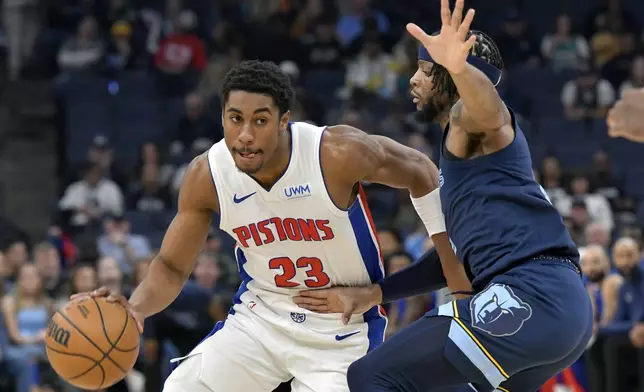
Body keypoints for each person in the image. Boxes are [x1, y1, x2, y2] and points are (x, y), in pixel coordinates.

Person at [69, 59, 470, 392]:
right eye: (235, 119)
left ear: (283, 121)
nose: (245, 135)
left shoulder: (335, 153)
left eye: (260, 120)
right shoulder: (207, 176)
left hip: (341, 329)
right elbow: (172, 267)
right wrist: (137, 309)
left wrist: (454, 276)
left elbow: (420, 170)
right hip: (260, 319)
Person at [294, 1, 593, 391]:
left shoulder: (472, 124)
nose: (414, 80)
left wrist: (459, 67)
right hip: (557, 310)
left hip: (531, 295)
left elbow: (488, 109)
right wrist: (377, 293)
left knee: (370, 375)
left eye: (426, 71)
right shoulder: (468, 162)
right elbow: (452, 258)